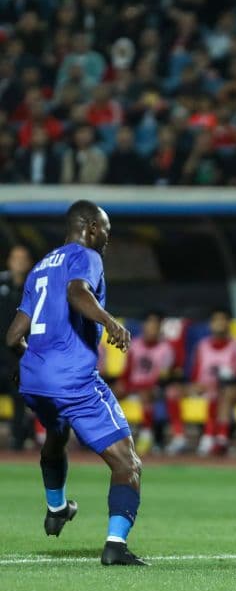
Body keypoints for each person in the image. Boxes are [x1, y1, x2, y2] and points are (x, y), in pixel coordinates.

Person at [4, 200, 145, 565]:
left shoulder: (40, 267)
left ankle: (57, 507)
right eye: (107, 233)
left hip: (35, 380)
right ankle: (115, 546)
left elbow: (13, 335)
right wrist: (112, 323)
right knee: (127, 463)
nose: (107, 242)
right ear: (92, 228)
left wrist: (32, 361)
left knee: (56, 433)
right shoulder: (87, 257)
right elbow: (77, 292)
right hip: (73, 380)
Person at [113, 311, 185, 455]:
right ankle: (106, 434)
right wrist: (122, 384)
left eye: (155, 326)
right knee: (110, 392)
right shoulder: (135, 345)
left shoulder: (166, 349)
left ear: (160, 328)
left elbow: (163, 377)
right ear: (143, 326)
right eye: (149, 325)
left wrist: (141, 387)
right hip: (134, 386)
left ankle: (147, 434)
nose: (151, 329)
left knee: (146, 394)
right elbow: (127, 372)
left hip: (154, 389)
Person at [190, 308, 236, 457]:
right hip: (204, 388)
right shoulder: (202, 345)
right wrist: (197, 386)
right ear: (210, 324)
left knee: (220, 392)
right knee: (174, 391)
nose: (219, 323)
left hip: (226, 389)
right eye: (216, 320)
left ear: (228, 324)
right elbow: (196, 373)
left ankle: (215, 438)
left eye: (223, 320)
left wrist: (214, 384)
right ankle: (178, 437)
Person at [0, 244, 32, 449]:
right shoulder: (1, 284)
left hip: (22, 352)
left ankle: (18, 440)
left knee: (20, 391)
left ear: (28, 263)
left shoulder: (35, 287)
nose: (18, 262)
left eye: (23, 258)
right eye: (15, 258)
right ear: (9, 261)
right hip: (0, 350)